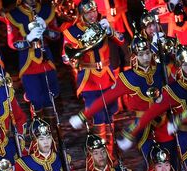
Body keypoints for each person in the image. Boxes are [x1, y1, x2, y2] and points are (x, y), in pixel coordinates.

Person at [69, 34, 172, 164]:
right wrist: (83, 116)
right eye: (141, 54)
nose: (145, 57)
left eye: (147, 53)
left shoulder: (160, 70)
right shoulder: (129, 77)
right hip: (143, 127)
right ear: (135, 56)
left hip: (165, 124)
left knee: (173, 162)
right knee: (154, 163)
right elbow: (106, 98)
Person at [62, 0, 124, 155]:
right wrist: (75, 54)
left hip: (107, 75)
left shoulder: (103, 24)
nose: (92, 15)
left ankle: (110, 153)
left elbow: (120, 39)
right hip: (89, 79)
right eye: (88, 13)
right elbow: (65, 57)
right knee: (98, 116)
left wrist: (110, 31)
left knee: (110, 113)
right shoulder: (72, 32)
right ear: (81, 14)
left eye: (94, 11)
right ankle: (100, 154)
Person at [2, 0, 61, 113]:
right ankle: (39, 126)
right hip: (28, 63)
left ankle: (53, 128)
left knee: (51, 96)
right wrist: (28, 39)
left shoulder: (47, 10)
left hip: (46, 60)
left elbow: (57, 35)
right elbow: (12, 43)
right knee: (35, 98)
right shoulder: (14, 15)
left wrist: (46, 30)